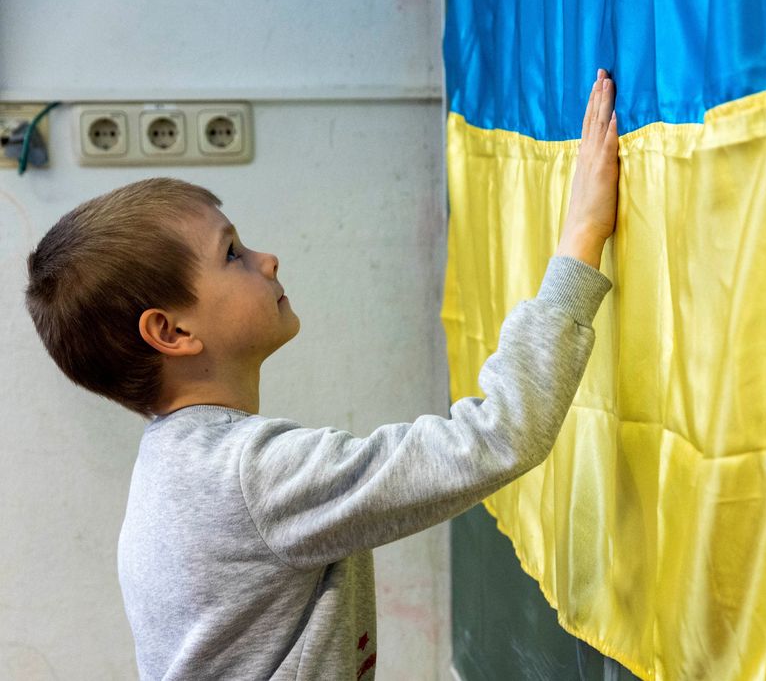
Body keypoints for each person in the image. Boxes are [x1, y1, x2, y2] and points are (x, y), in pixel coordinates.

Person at [24, 70, 620, 679]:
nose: (267, 259)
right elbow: (499, 436)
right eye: (232, 253)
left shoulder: (176, 467)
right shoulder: (249, 479)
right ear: (171, 333)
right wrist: (581, 237)